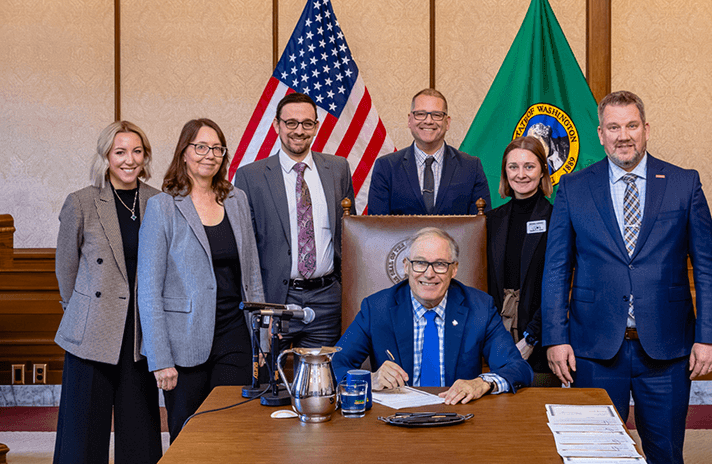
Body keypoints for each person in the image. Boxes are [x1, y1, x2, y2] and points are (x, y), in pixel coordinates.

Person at [542, 90, 712, 464]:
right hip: (594, 347)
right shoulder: (573, 187)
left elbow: (706, 266)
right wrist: (555, 337)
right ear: (600, 134)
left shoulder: (683, 183)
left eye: (632, 126)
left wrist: (709, 336)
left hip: (666, 347)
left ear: (646, 129)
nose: (624, 136)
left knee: (666, 453)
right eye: (614, 128)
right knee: (596, 454)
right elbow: (556, 267)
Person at [48, 120, 162, 464]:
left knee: (141, 429)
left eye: (136, 152)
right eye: (120, 152)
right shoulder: (80, 203)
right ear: (106, 158)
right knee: (88, 428)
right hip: (93, 330)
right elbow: (66, 269)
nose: (129, 160)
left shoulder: (160, 202)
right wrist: (84, 313)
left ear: (145, 156)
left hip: (140, 334)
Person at [138, 118, 264, 442]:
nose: (210, 154)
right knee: (187, 431)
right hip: (184, 340)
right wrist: (160, 358)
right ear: (184, 152)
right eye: (201, 147)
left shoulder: (236, 200)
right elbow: (149, 289)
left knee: (234, 424)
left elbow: (251, 273)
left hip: (234, 333)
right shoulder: (162, 207)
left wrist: (260, 340)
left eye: (217, 148)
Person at [333, 227, 533, 404]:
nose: (429, 274)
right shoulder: (377, 308)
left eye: (440, 264)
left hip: (459, 418)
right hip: (396, 423)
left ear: (454, 269)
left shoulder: (479, 308)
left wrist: (482, 383)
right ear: (406, 266)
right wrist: (370, 379)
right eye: (420, 263)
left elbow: (518, 368)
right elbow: (335, 364)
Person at [235, 93, 354, 347]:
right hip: (274, 300)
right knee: (269, 384)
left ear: (316, 127)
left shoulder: (338, 169)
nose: (299, 131)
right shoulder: (251, 177)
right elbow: (247, 248)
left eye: (307, 123)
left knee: (321, 385)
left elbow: (349, 235)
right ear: (277, 125)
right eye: (291, 123)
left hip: (327, 301)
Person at [486, 135, 555, 384]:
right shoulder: (490, 221)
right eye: (513, 167)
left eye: (529, 166)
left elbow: (559, 287)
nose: (521, 174)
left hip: (541, 343)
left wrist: (532, 338)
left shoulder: (556, 219)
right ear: (505, 172)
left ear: (542, 171)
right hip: (493, 338)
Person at [367, 88, 490, 215]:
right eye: (420, 114)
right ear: (410, 120)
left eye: (436, 115)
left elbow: (481, 225)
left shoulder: (471, 167)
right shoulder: (386, 167)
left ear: (447, 122)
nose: (428, 121)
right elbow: (377, 226)